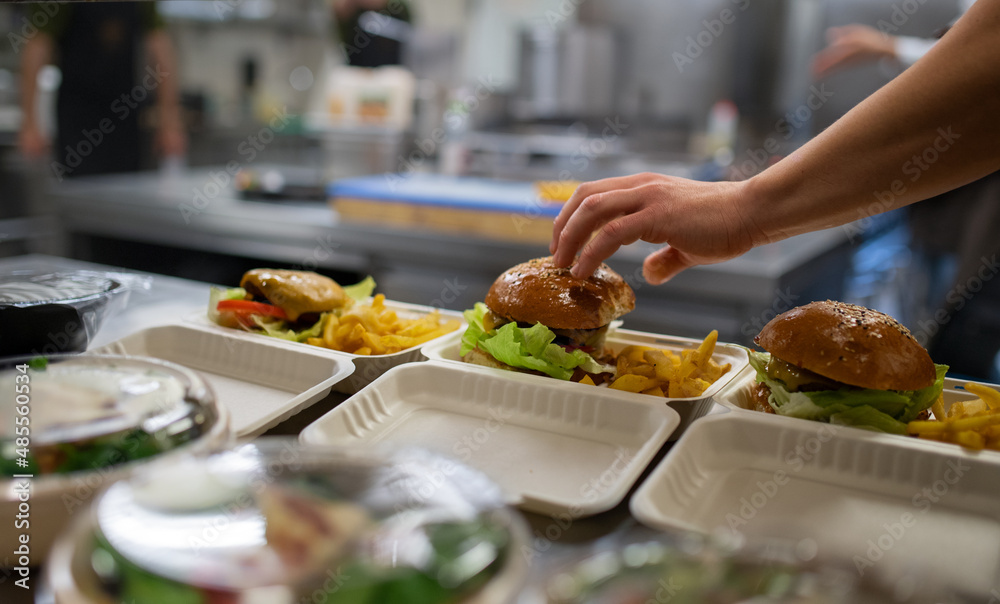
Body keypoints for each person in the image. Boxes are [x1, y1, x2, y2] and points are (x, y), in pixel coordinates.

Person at [18, 2, 185, 177]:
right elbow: (37, 47)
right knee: (78, 194)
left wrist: (170, 122)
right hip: (77, 120)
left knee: (124, 191)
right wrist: (30, 123)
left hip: (125, 116)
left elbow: (161, 49)